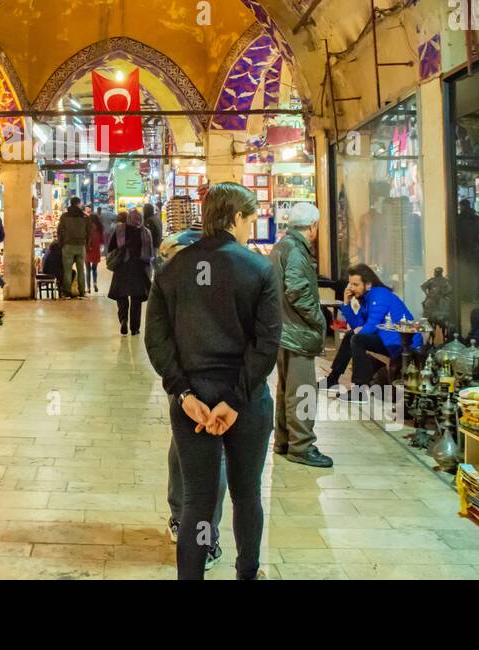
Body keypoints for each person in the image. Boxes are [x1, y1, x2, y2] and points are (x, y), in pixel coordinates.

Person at [145, 182, 280, 581]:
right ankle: (247, 572)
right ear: (236, 218)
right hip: (247, 402)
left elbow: (156, 338)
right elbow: (267, 342)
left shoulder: (173, 269)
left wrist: (182, 391)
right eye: (250, 221)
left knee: (197, 503)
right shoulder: (259, 269)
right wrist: (236, 401)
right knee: (246, 494)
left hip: (194, 404)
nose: (249, 230)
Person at [157, 200, 228, 569]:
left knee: (186, 448)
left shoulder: (173, 264)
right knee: (209, 458)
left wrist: (176, 381)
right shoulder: (233, 266)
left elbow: (159, 333)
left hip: (187, 375)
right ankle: (204, 536)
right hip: (212, 377)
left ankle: (184, 521)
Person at [270, 201, 332, 468]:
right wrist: (319, 319)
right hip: (298, 332)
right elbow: (297, 290)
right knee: (303, 390)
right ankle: (302, 445)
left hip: (283, 330)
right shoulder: (296, 250)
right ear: (314, 226)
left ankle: (285, 440)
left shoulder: (282, 246)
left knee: (287, 389)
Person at [323, 263, 422, 390]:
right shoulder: (365, 298)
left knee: (357, 339)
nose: (351, 288)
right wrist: (346, 303)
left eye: (356, 284)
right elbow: (357, 325)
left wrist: (358, 331)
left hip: (402, 343)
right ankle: (332, 379)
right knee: (352, 336)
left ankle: (359, 390)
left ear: (368, 284)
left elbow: (371, 326)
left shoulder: (380, 295)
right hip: (387, 339)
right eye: (350, 284)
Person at [108, 209, 153, 335]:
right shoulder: (145, 232)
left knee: (121, 297)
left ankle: (123, 319)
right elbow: (149, 254)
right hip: (139, 269)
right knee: (136, 300)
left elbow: (111, 247)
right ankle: (135, 328)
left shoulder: (120, 230)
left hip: (122, 267)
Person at [56, 197, 90, 297]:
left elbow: (60, 230)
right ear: (78, 204)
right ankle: (82, 291)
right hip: (81, 245)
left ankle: (67, 291)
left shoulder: (64, 216)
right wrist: (86, 243)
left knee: (67, 270)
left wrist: (61, 243)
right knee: (81, 270)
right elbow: (89, 232)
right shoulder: (84, 217)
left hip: (68, 245)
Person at [85, 209, 104, 293]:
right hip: (96, 250)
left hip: (87, 250)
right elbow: (102, 240)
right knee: (94, 269)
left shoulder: (86, 228)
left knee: (87, 269)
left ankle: (88, 288)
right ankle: (95, 283)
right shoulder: (99, 228)